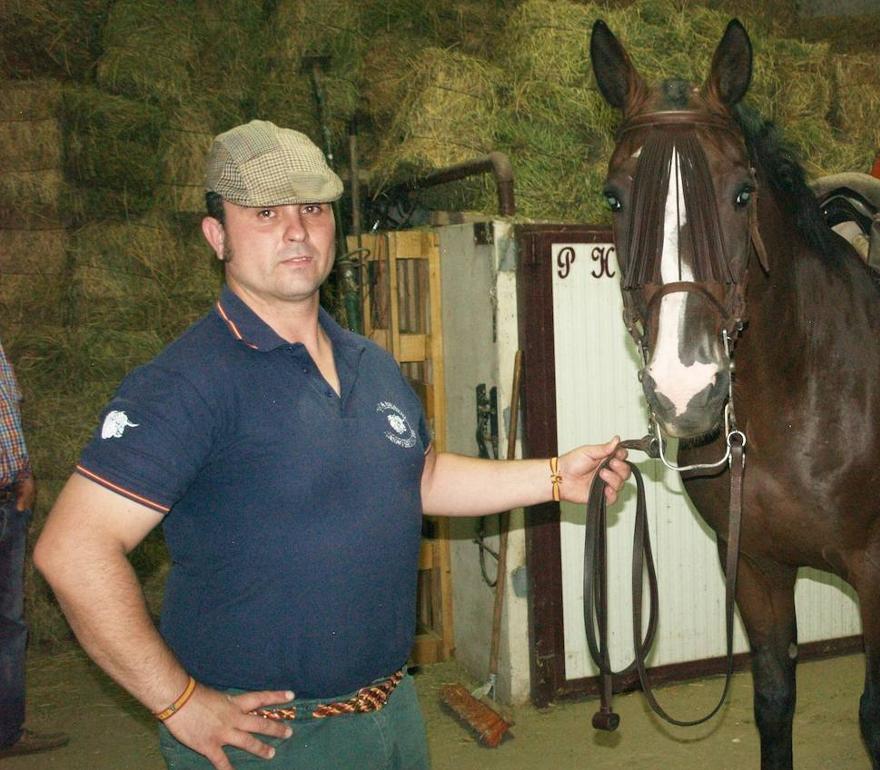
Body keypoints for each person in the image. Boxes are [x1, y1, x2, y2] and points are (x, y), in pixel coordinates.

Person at [33, 120, 629, 770]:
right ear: (217, 235)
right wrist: (179, 703)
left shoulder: (369, 363)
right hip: (270, 740)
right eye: (266, 213)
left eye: (313, 209)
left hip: (391, 712)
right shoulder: (188, 382)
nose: (296, 230)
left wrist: (554, 476)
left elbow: (420, 478)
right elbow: (73, 551)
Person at [0, 337, 69, 759]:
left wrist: (24, 475)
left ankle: (7, 733)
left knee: (8, 623)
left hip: (9, 502)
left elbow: (9, 415)